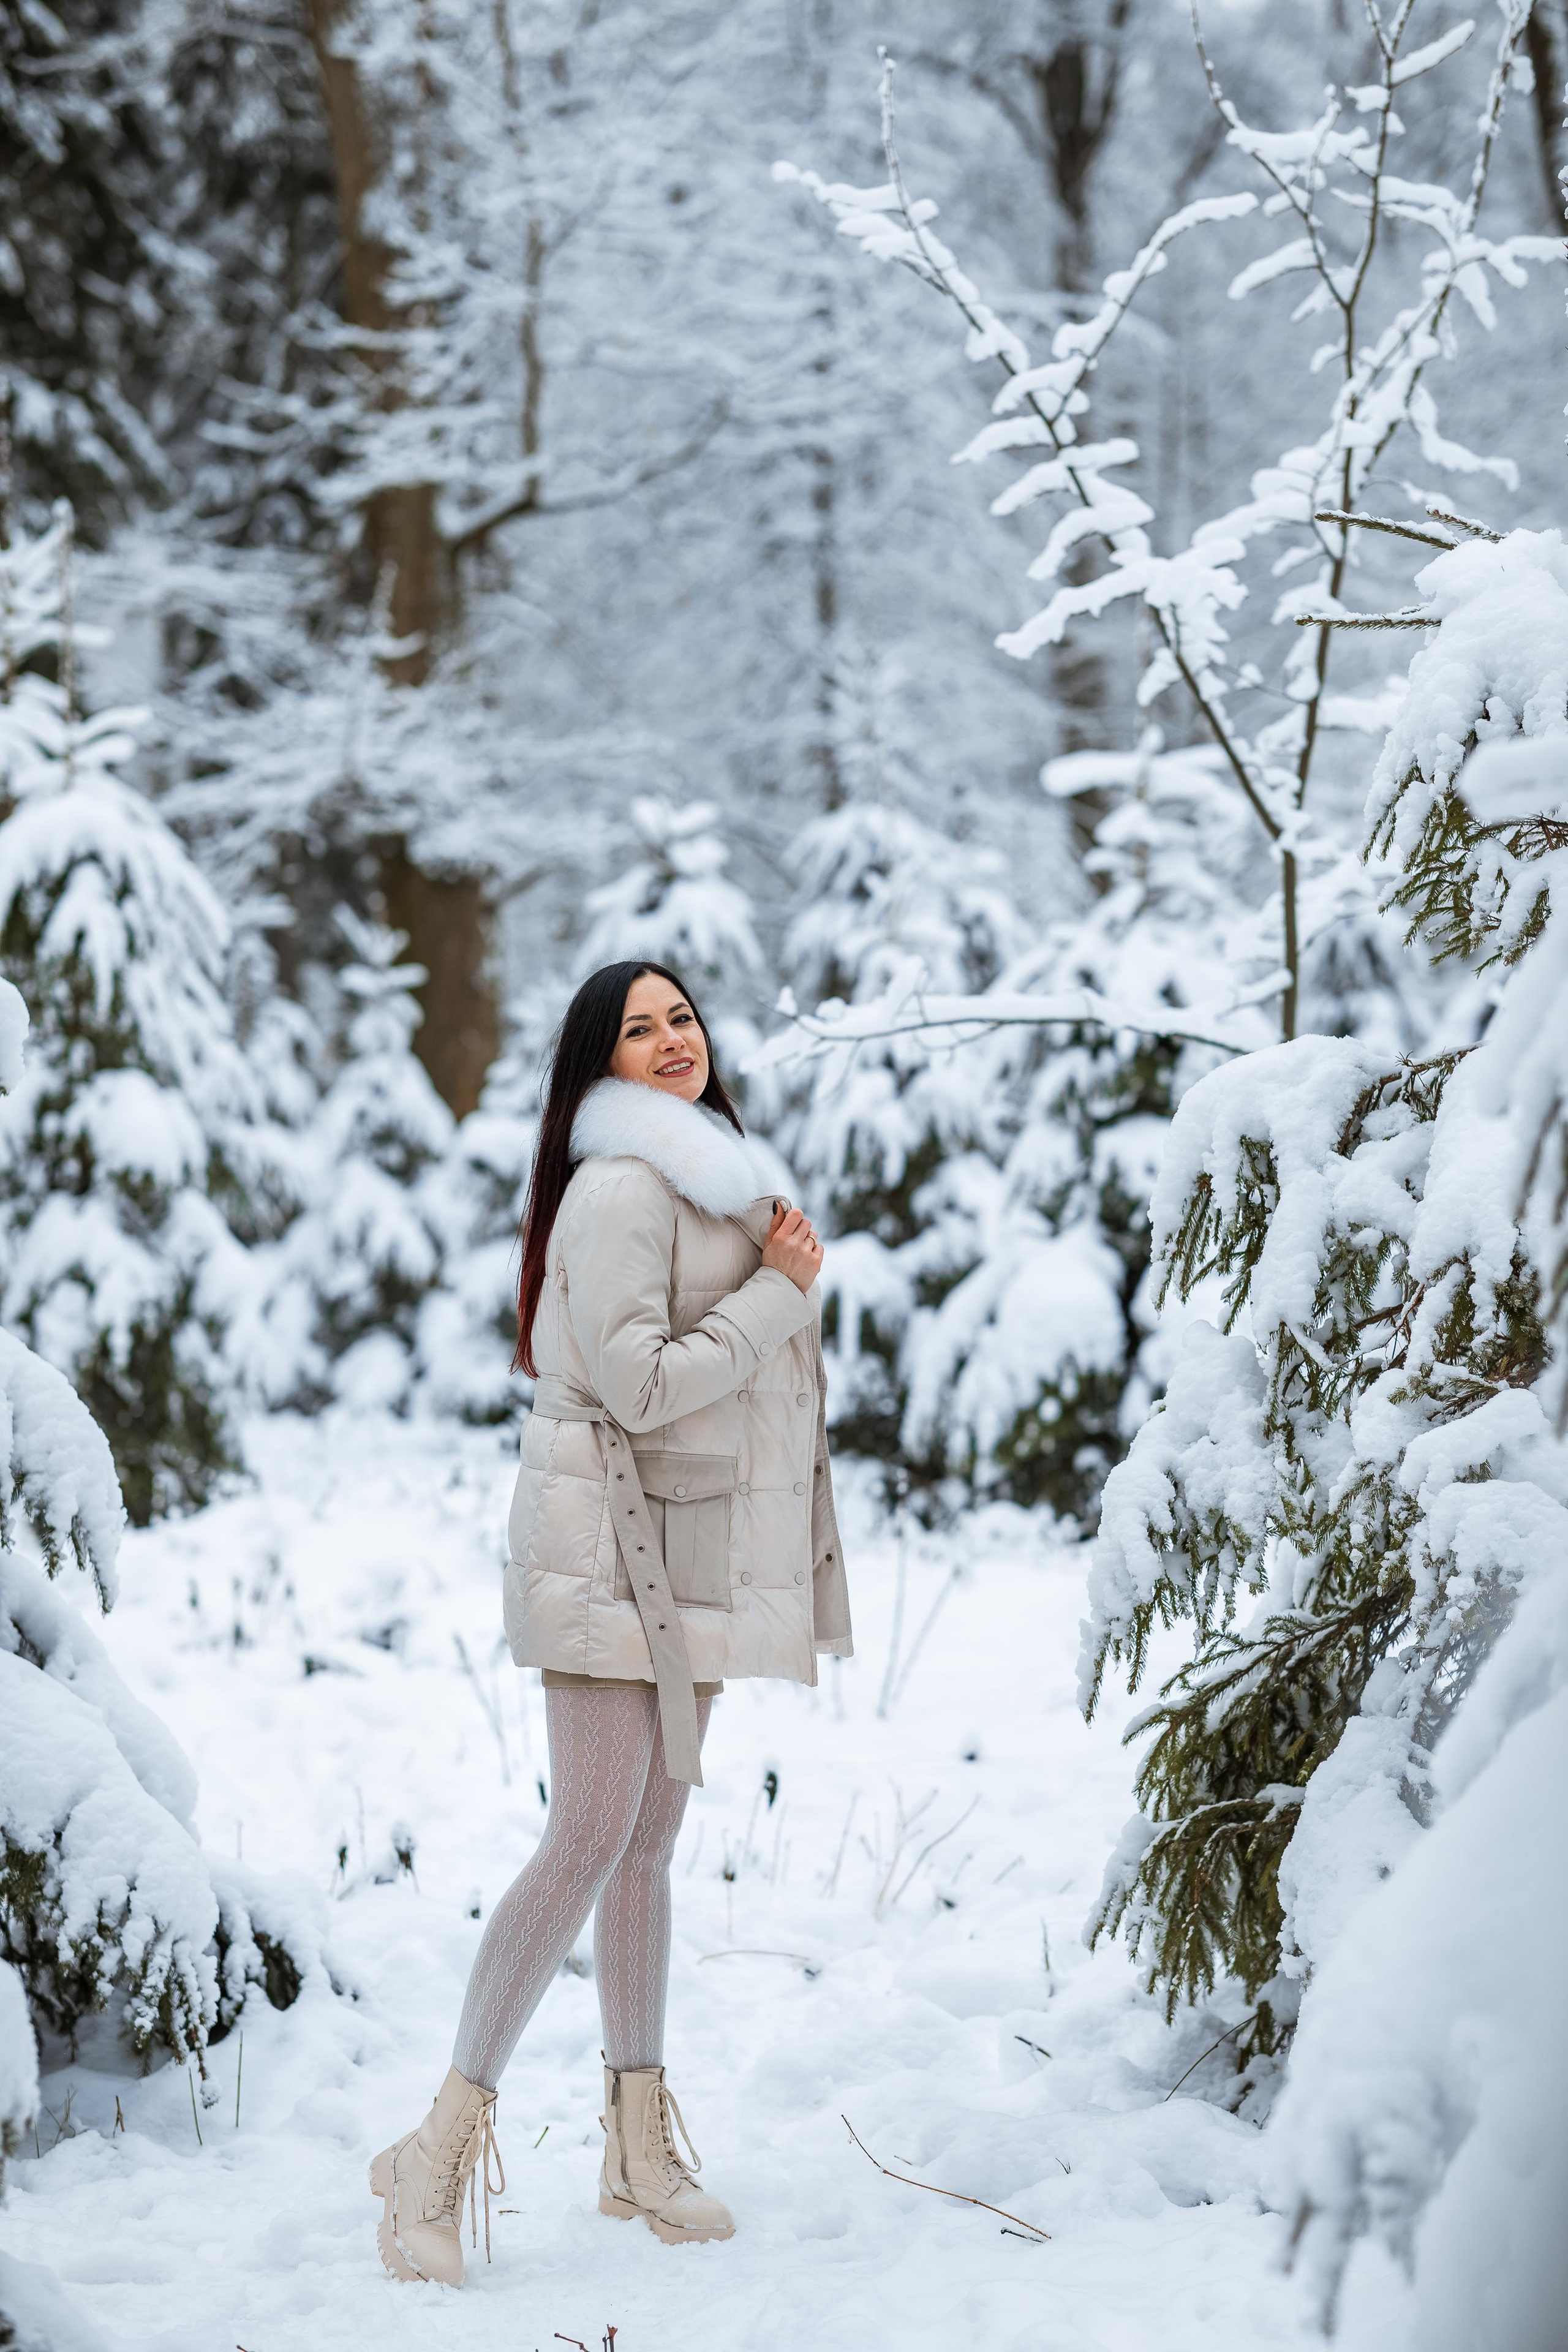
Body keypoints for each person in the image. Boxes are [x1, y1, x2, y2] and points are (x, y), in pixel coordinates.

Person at [370, 959, 852, 2284]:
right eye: (638, 1029)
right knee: (588, 1834)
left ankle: (635, 2152)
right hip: (603, 1542)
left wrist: (765, 1277)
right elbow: (636, 1385)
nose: (670, 1040)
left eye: (682, 1017)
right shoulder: (626, 1182)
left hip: (670, 1548)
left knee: (644, 1845)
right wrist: (777, 1292)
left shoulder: (706, 1173)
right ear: (600, 1063)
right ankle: (431, 2154)